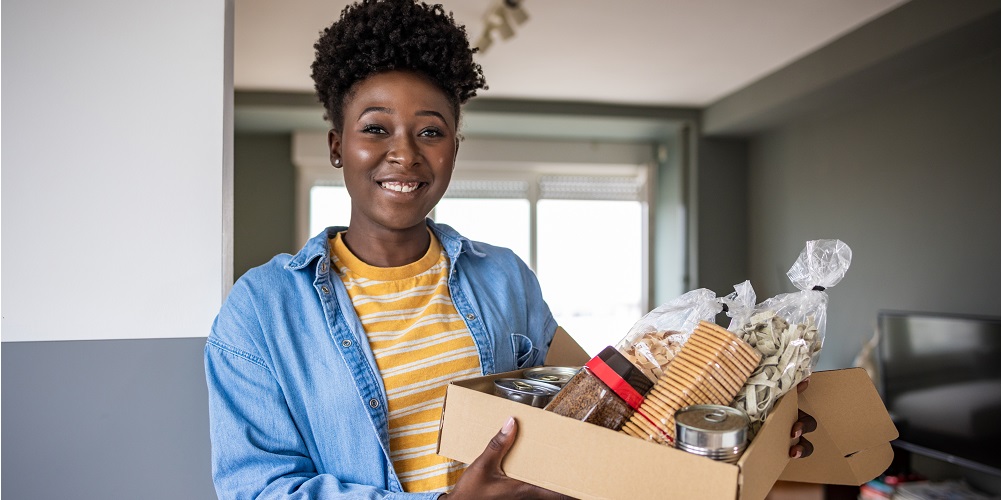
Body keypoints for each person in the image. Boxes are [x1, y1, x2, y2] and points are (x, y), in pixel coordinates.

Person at [205, 1, 814, 498]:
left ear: (453, 147)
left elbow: (608, 404)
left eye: (430, 131)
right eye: (375, 128)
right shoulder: (262, 310)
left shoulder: (502, 280)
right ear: (337, 146)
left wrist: (746, 426)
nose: (405, 154)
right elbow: (259, 490)